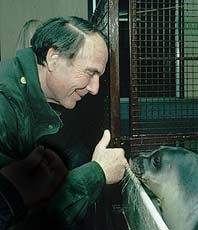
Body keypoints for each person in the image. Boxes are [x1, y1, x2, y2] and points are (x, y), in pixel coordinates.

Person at [0, 16, 127, 229]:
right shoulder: (5, 106)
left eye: (99, 76)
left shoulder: (38, 101)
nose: (94, 89)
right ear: (53, 58)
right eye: (90, 73)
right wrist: (97, 173)